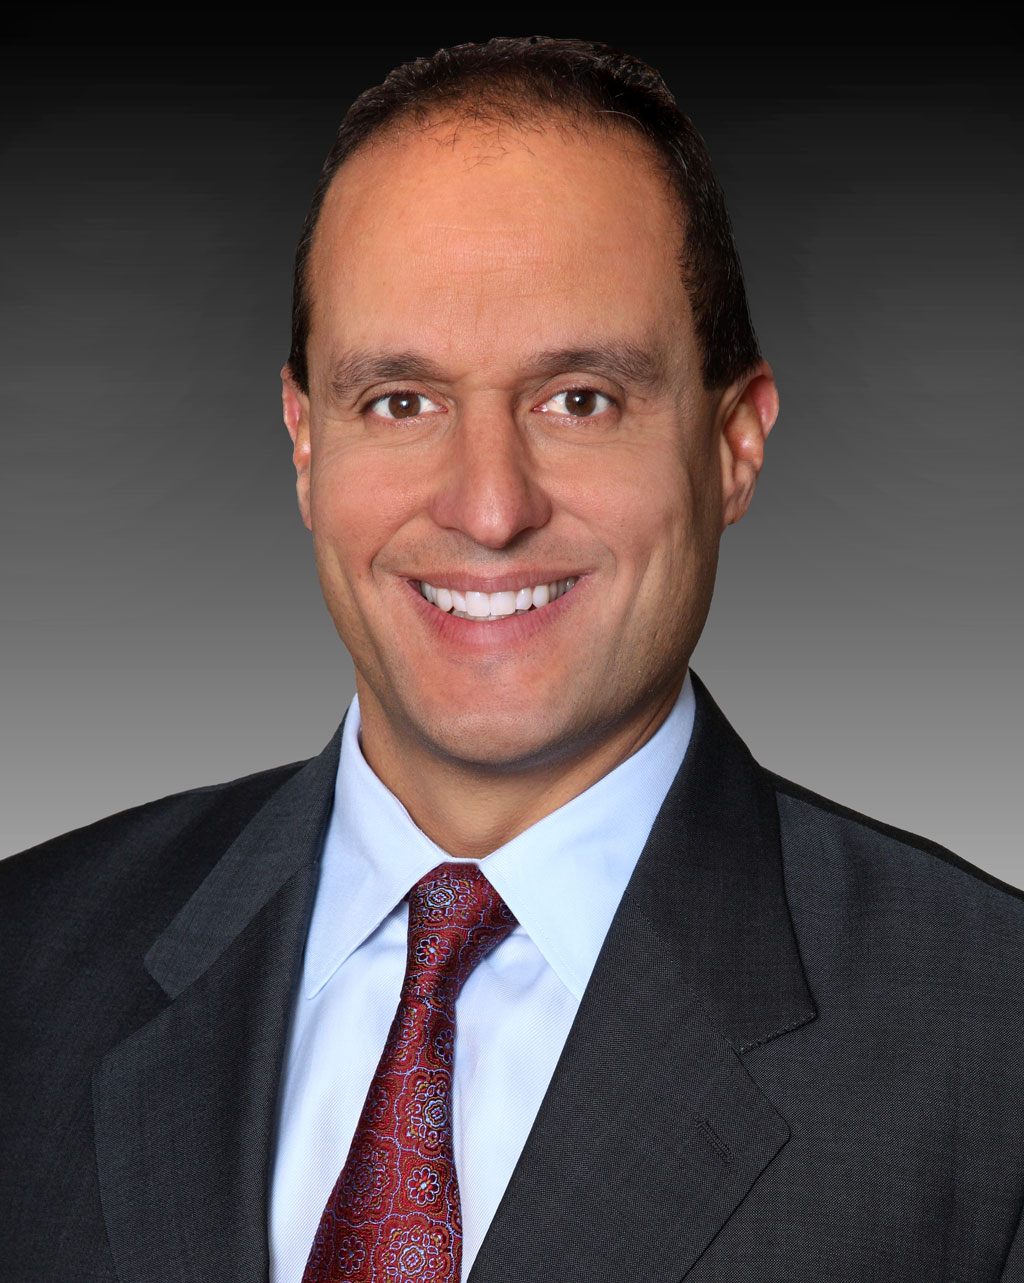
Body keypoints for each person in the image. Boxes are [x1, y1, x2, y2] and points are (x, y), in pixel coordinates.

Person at [2, 36, 1022, 1283]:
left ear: (733, 445)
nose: (488, 509)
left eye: (578, 398)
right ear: (306, 444)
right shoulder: (27, 959)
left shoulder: (991, 1040)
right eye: (401, 401)